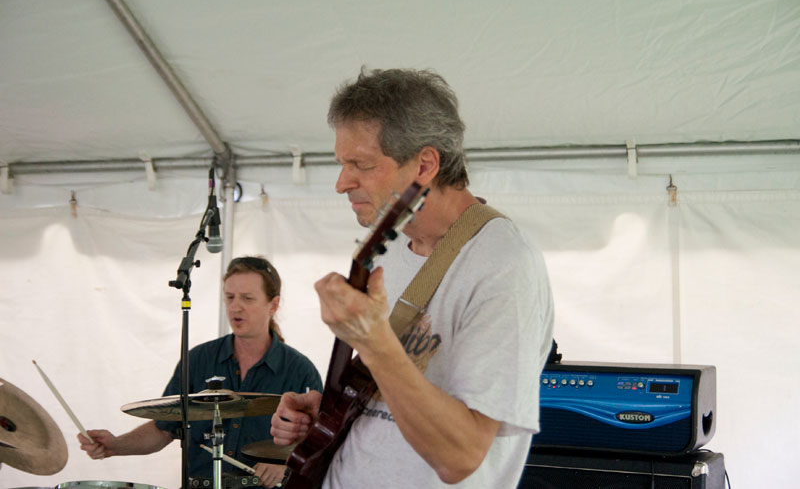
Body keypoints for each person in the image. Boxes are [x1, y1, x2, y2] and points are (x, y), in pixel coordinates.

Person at [270, 68, 554, 488]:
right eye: (341, 163)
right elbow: (394, 393)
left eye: (361, 165)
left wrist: (374, 341)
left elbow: (461, 457)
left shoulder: (504, 262)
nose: (341, 183)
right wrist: (331, 410)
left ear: (424, 164)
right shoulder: (392, 247)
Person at [79, 255, 323, 488]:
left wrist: (285, 465)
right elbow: (163, 428)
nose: (236, 307)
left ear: (273, 304)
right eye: (229, 297)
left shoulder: (300, 371)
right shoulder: (198, 360)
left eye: (247, 298)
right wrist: (115, 445)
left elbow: (322, 448)